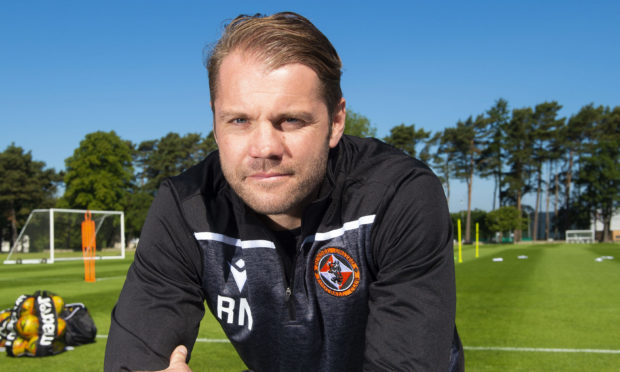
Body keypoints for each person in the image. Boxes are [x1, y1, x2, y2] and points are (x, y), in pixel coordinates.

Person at [104, 11, 464, 372]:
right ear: (215, 123)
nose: (264, 148)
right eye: (239, 120)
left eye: (291, 120)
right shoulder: (186, 208)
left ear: (336, 122)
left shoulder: (397, 196)